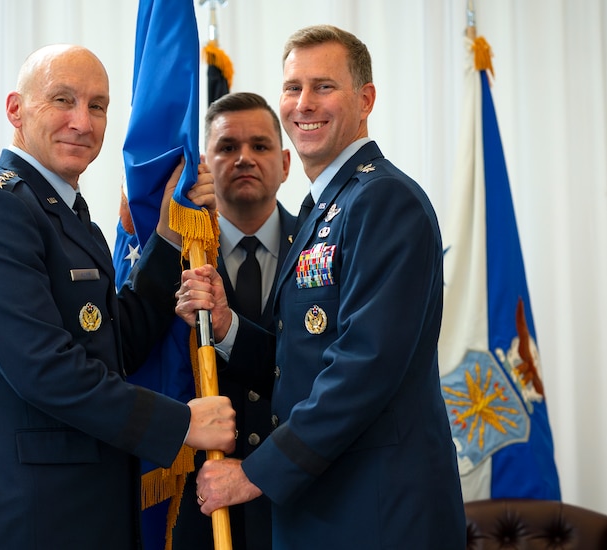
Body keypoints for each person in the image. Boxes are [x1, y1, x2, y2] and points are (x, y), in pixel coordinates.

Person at [0, 44, 236, 549]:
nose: (82, 122)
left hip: (77, 512)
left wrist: (168, 240)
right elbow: (46, 370)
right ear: (16, 109)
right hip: (18, 517)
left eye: (97, 106)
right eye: (62, 100)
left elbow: (114, 344)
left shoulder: (66, 213)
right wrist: (182, 422)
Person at [176, 25, 466, 548]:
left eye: (323, 87)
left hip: (375, 512)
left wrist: (255, 472)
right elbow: (302, 356)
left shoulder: (382, 201)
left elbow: (363, 366)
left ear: (365, 99)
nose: (303, 104)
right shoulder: (322, 209)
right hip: (326, 506)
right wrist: (226, 325)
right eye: (292, 88)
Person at [172, 92, 295, 550]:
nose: (244, 157)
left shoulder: (323, 245)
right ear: (204, 164)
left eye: (260, 146)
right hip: (200, 510)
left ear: (285, 162)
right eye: (227, 148)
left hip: (296, 504)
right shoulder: (174, 253)